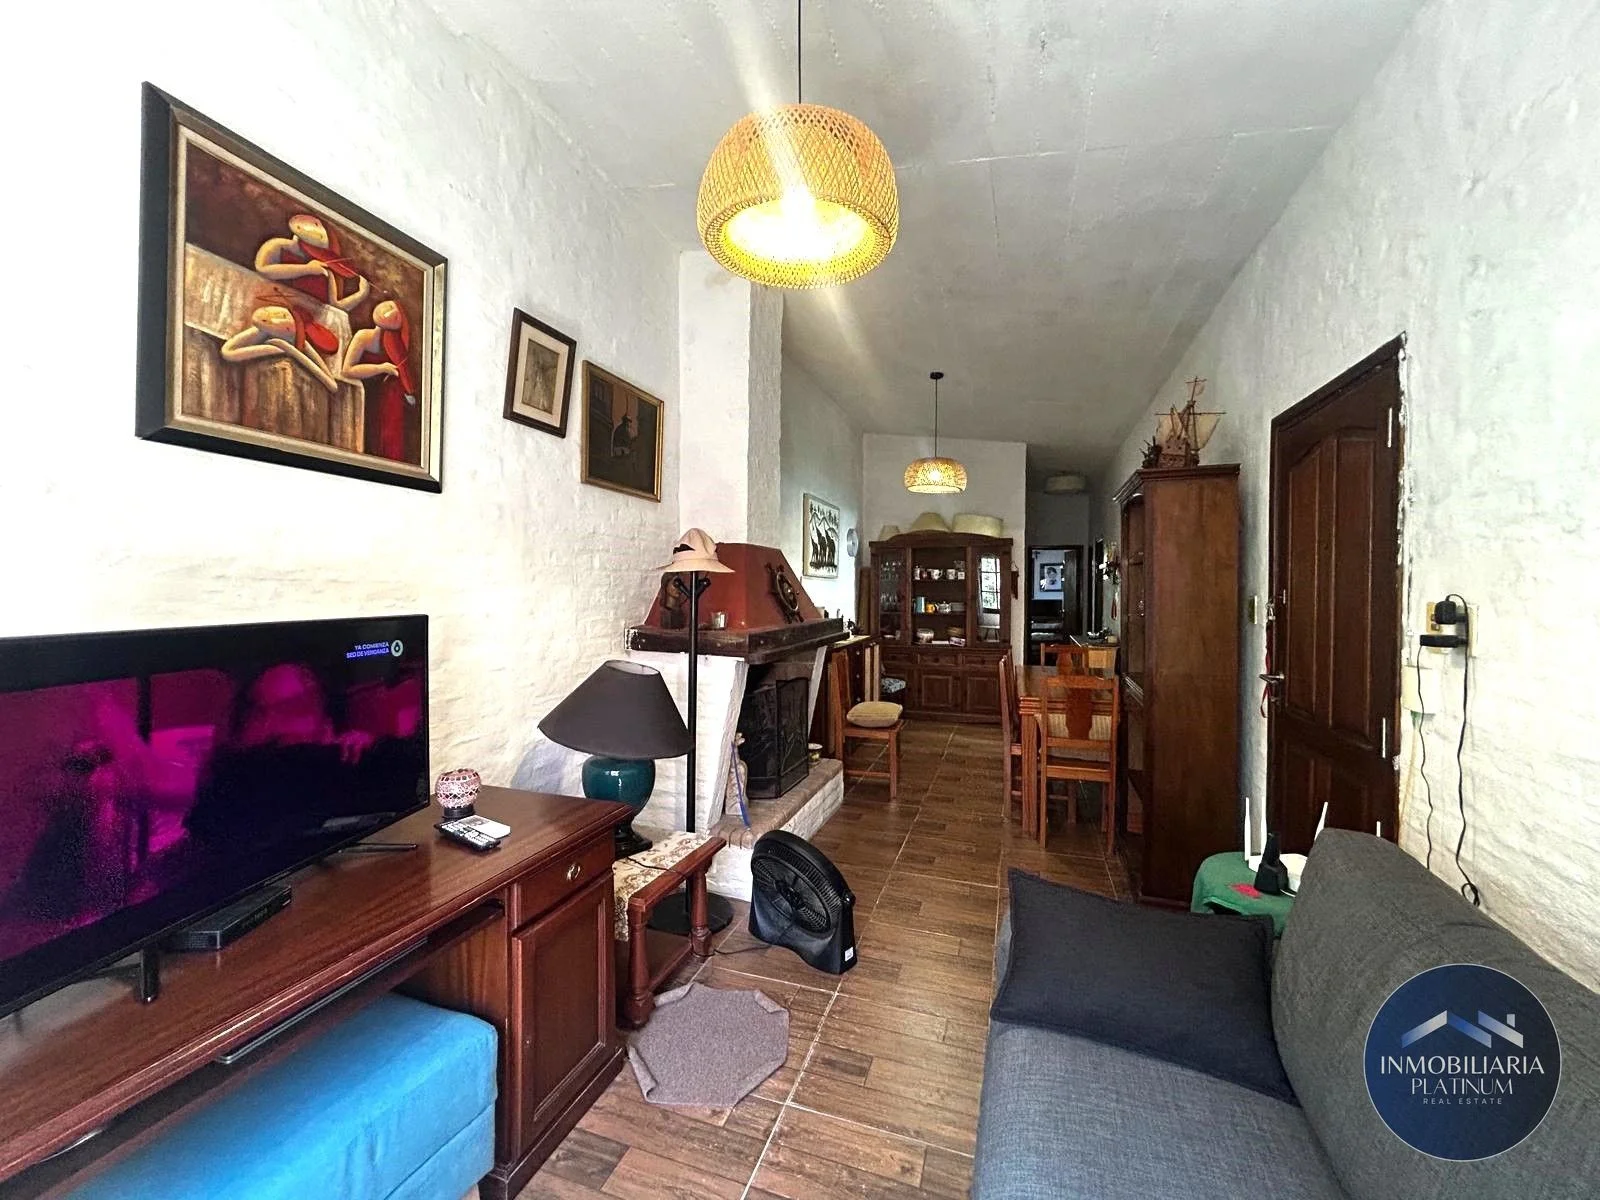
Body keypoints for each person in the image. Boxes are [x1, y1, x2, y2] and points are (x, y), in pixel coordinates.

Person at [341, 300, 417, 462]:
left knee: (388, 435)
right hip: (366, 395)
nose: (390, 312)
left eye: (396, 311)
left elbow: (404, 372)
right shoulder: (363, 336)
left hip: (385, 397)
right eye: (389, 307)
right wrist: (381, 368)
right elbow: (347, 370)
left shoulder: (396, 344)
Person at [254, 214, 370, 312]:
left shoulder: (325, 270)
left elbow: (334, 307)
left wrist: (361, 294)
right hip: (265, 305)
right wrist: (308, 269)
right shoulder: (278, 245)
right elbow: (263, 270)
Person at [220, 305, 341, 393]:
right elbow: (227, 352)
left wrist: (287, 348)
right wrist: (280, 348)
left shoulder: (300, 341)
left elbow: (332, 385)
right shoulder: (263, 331)